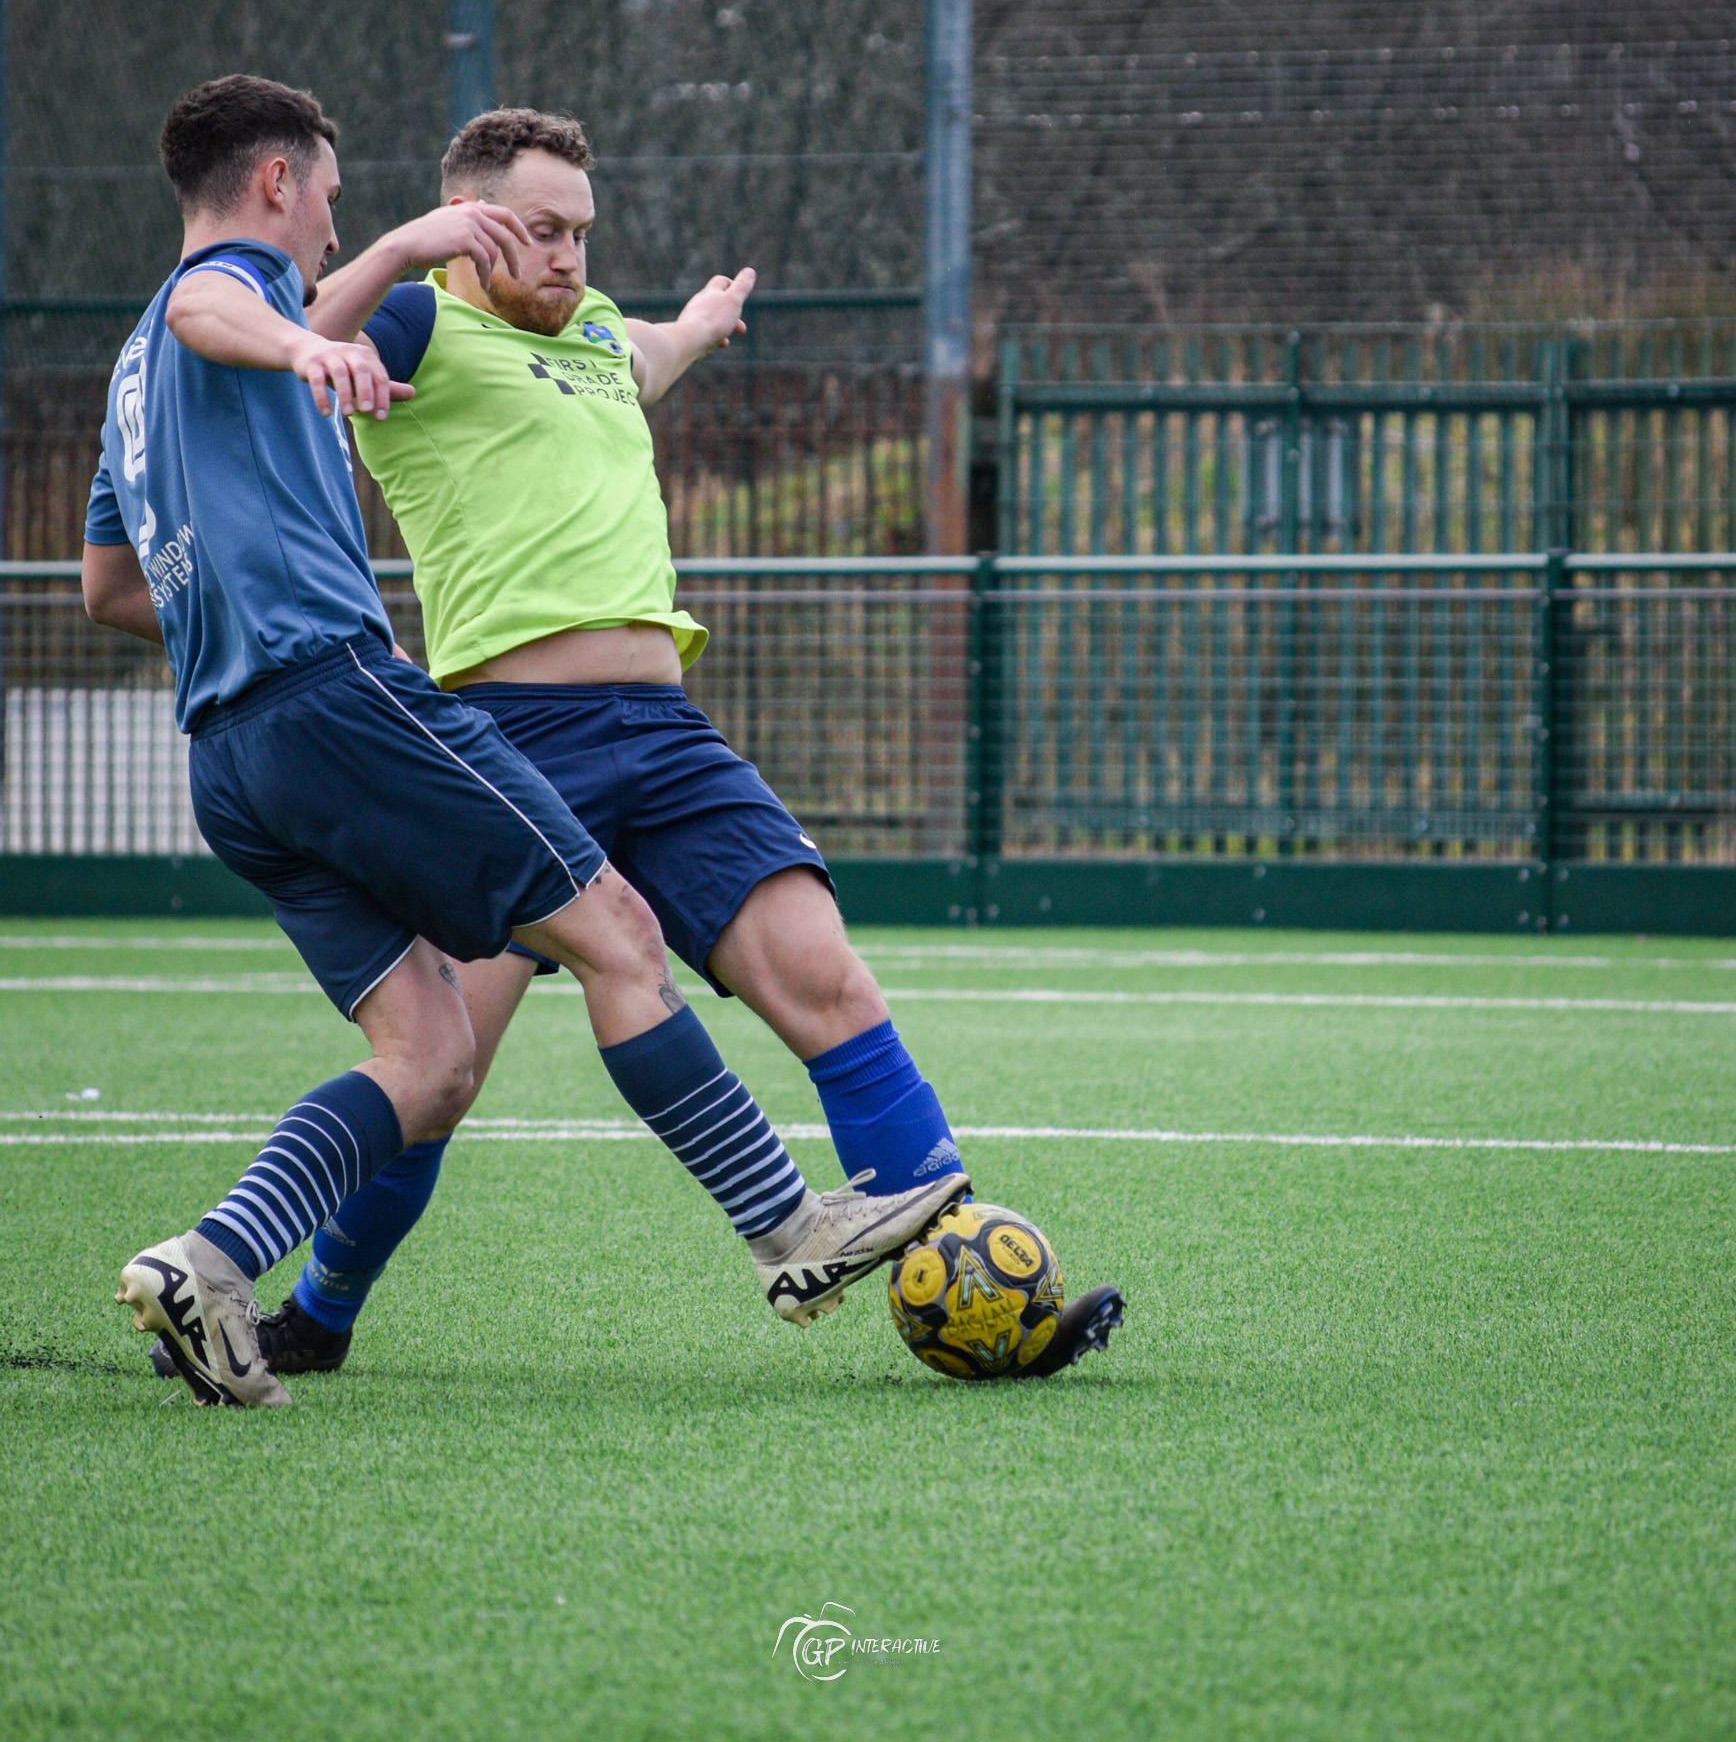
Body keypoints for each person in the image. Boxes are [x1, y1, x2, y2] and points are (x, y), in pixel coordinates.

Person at [85, 75, 968, 1406]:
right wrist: (344, 308)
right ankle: (790, 1233)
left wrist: (699, 326)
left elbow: (107, 588)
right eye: (330, 192)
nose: (337, 218)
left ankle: (209, 1263)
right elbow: (215, 301)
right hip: (353, 700)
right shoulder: (249, 302)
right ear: (278, 182)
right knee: (614, 933)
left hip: (235, 744)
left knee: (429, 1061)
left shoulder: (132, 387)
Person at [262, 103, 1122, 1382]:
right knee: (439, 1071)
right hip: (506, 748)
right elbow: (289, 342)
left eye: (582, 233)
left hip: (666, 739)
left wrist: (699, 330)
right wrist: (401, 249)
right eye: (539, 230)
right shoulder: (419, 322)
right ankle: (318, 1312)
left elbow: (642, 355)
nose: (568, 255)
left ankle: (982, 1286)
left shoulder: (599, 330)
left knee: (831, 986)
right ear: (470, 226)